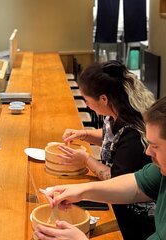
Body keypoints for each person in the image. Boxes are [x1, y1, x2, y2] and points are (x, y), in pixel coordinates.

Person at [33, 96, 166, 240]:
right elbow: (137, 186)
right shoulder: (161, 170)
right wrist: (82, 191)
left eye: (155, 146)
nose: (147, 152)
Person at [57, 61, 155, 239]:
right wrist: (85, 134)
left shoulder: (133, 134)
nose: (86, 104)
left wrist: (86, 160)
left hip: (133, 218)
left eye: (87, 100)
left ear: (103, 99)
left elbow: (116, 180)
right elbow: (112, 136)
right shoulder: (118, 111)